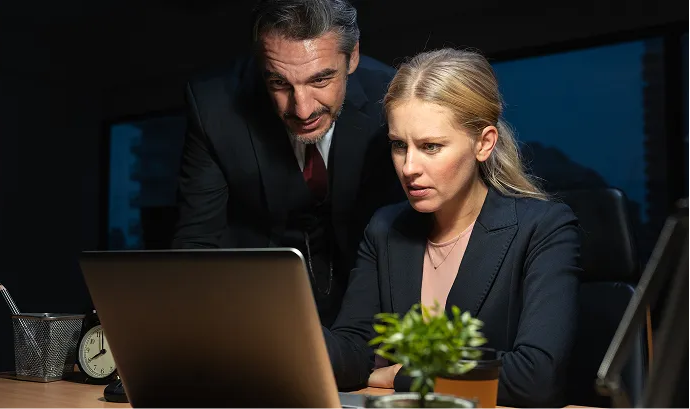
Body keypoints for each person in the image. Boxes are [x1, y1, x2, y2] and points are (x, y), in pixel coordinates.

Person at [323, 48, 582, 409]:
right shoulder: (384, 229)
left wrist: (402, 374)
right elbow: (353, 353)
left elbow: (537, 377)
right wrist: (287, 331)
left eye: (431, 147)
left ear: (483, 143)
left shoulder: (544, 229)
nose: (409, 167)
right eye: (399, 146)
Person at [171, 0, 404, 328]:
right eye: (280, 84)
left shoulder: (393, 96)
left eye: (320, 80)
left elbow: (410, 231)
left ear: (352, 57)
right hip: (250, 306)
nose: (303, 109)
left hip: (368, 303)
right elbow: (196, 242)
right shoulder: (214, 106)